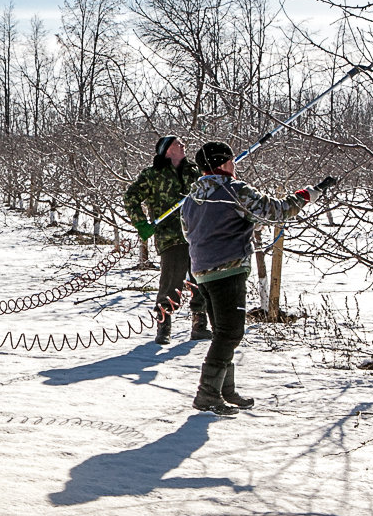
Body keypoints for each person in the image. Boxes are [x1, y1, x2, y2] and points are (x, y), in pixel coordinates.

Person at [180, 141, 335, 415]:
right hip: (227, 269)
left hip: (202, 272)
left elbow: (188, 232)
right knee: (231, 333)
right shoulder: (234, 190)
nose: (235, 165)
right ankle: (207, 394)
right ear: (224, 163)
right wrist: (308, 194)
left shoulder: (192, 198)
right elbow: (277, 211)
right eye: (231, 160)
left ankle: (225, 390)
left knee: (221, 332)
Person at [124, 134, 210, 345]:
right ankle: (164, 324)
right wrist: (141, 223)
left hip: (198, 234)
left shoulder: (195, 173)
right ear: (167, 150)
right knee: (171, 280)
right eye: (178, 143)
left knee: (202, 279)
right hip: (171, 236)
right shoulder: (153, 175)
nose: (183, 145)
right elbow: (131, 197)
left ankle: (199, 323)